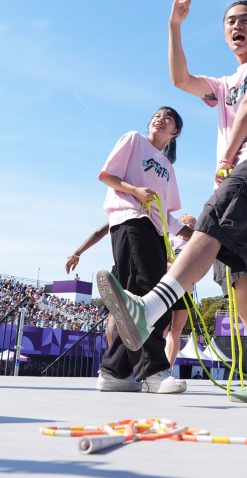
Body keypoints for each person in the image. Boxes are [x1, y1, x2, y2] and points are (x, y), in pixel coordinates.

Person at [97, 0, 247, 404]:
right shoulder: (224, 85)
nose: (236, 26)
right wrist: (174, 25)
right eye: (229, 22)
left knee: (208, 225)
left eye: (245, 20)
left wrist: (226, 159)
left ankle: (149, 308)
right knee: (242, 277)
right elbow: (179, 79)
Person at [96, 107, 190, 394]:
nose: (160, 119)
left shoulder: (168, 167)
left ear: (176, 132)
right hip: (130, 220)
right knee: (150, 297)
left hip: (155, 231)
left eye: (168, 117)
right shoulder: (134, 139)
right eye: (157, 115)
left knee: (136, 300)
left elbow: (166, 214)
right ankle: (154, 371)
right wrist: (135, 191)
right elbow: (106, 175)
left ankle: (114, 372)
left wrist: (196, 237)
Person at [165, 213, 198, 366]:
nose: (191, 229)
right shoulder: (171, 242)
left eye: (194, 226)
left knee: (177, 330)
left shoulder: (196, 246)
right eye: (189, 225)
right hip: (167, 287)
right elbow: (161, 262)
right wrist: (176, 268)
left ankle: (169, 366)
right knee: (162, 328)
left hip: (185, 290)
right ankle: (155, 364)